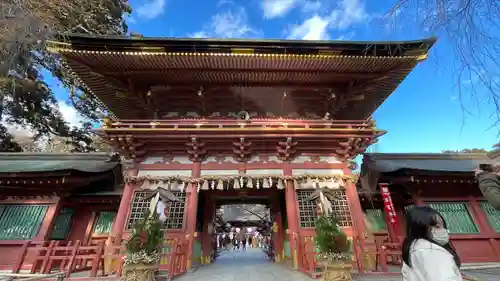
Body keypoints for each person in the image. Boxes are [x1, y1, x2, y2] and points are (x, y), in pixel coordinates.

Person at [402, 206, 462, 281]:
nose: (444, 230)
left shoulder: (413, 248)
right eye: (437, 226)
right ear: (421, 228)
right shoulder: (432, 251)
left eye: (443, 226)